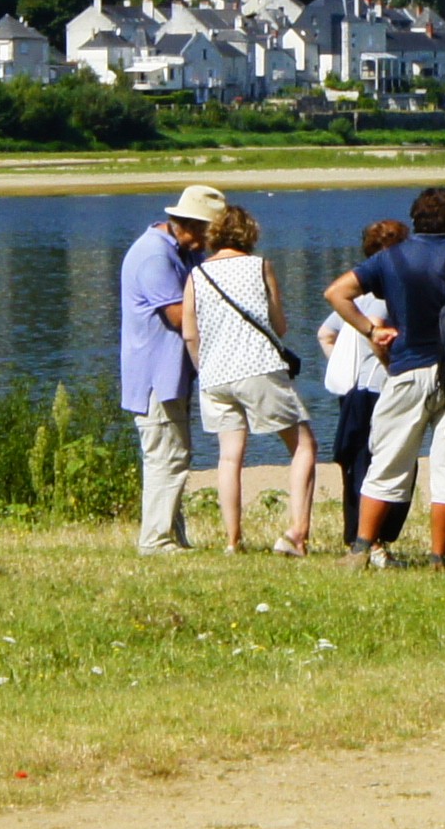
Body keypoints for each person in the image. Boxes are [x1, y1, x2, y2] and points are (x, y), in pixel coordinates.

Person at [326, 187, 445, 571]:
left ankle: (360, 549)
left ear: (415, 218)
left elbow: (336, 292)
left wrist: (370, 330)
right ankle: (438, 557)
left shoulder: (390, 258)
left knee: (387, 461)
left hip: (407, 370)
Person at [186, 202, 314, 554]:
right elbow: (280, 325)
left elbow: (190, 333)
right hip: (257, 367)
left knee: (229, 457)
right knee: (303, 445)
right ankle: (297, 535)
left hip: (214, 375)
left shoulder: (197, 275)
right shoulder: (260, 266)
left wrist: (204, 368)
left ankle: (232, 540)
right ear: (250, 234)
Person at [121, 183, 225, 555]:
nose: (208, 242)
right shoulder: (155, 257)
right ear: (186, 224)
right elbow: (181, 316)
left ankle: (172, 536)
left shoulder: (179, 252)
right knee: (166, 457)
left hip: (173, 375)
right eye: (207, 233)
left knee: (175, 455)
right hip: (156, 376)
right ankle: (156, 540)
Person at [317, 222, 404, 531]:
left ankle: (356, 533)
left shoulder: (358, 297)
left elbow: (325, 334)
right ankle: (376, 538)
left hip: (353, 390)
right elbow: (377, 331)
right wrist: (392, 367)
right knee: (383, 463)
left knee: (355, 463)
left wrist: (343, 366)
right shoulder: (388, 297)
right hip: (382, 389)